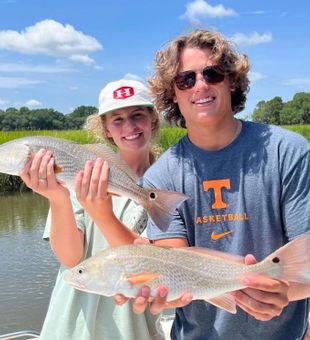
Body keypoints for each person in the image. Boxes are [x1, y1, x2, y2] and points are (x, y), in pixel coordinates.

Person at [120, 29, 310, 339]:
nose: (201, 85)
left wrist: (284, 291)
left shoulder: (288, 151)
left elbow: (306, 259)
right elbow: (176, 265)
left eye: (213, 73)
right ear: (173, 93)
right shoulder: (160, 177)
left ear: (232, 80)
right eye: (186, 79)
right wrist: (155, 281)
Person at [20, 79, 165, 340]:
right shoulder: (78, 173)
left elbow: (167, 264)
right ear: (106, 129)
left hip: (135, 329)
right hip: (71, 328)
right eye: (117, 119)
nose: (129, 127)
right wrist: (57, 197)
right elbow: (70, 258)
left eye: (137, 115)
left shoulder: (170, 183)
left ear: (153, 120)